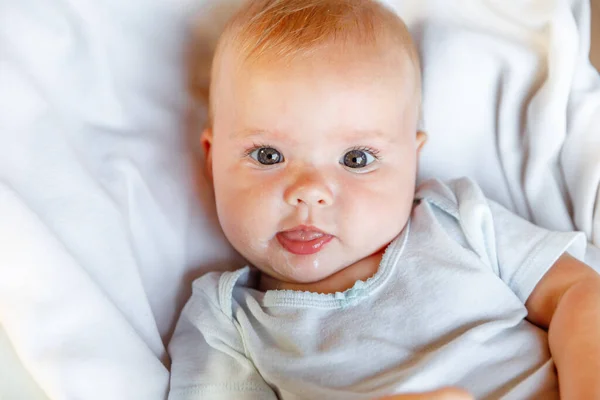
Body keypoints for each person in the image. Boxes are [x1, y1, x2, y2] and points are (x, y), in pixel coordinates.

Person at [168, 0, 600, 398]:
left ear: (413, 161)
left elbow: (578, 294)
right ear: (212, 159)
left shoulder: (454, 220)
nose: (310, 193)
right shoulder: (227, 321)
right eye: (268, 155)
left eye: (356, 158)